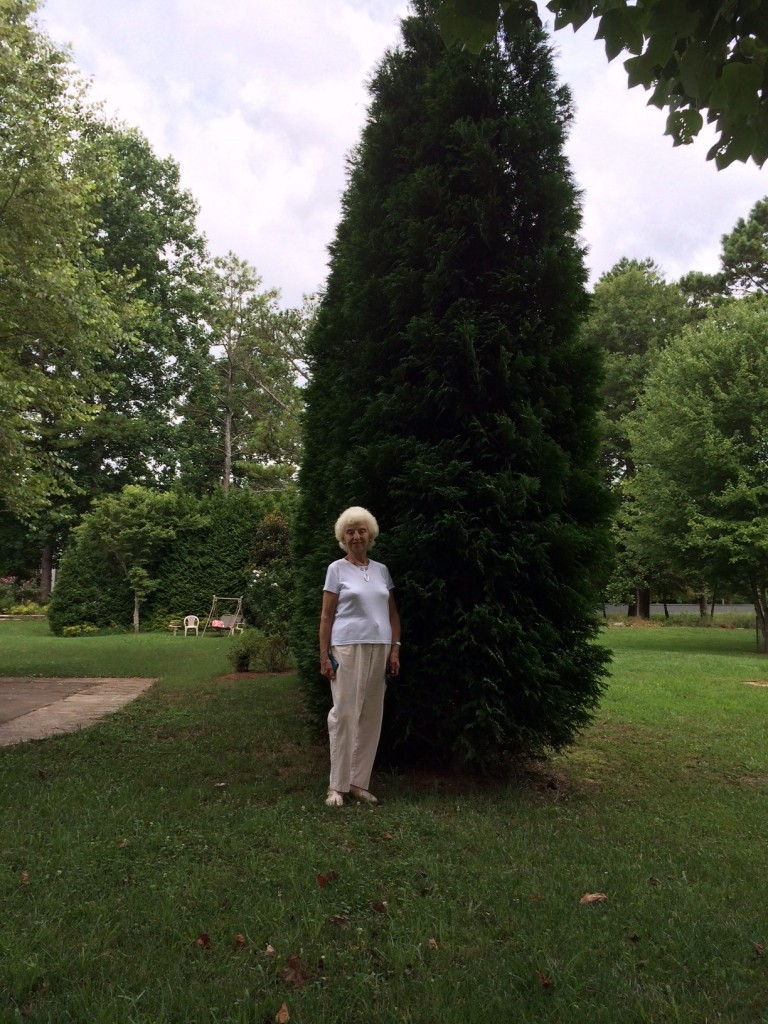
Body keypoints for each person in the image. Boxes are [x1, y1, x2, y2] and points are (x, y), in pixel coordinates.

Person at [319, 506, 401, 807]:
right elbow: (326, 617)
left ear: (370, 535)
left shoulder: (381, 570)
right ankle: (336, 786)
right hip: (347, 647)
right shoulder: (336, 570)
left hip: (379, 647)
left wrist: (395, 648)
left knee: (370, 716)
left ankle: (358, 782)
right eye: (350, 531)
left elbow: (392, 613)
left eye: (361, 530)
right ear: (343, 537)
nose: (356, 536)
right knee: (344, 714)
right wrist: (324, 656)